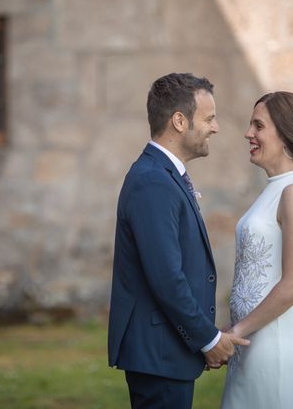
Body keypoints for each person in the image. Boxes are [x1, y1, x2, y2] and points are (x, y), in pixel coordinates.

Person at [108, 73, 250, 409]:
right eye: (210, 118)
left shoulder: (163, 175)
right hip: (158, 352)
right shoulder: (152, 181)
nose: (215, 128)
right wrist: (209, 338)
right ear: (179, 121)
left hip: (166, 352)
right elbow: (166, 277)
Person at [221, 91, 293, 408]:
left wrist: (237, 331)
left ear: (285, 134)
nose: (248, 134)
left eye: (258, 126)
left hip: (275, 339)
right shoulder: (276, 188)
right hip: (253, 339)